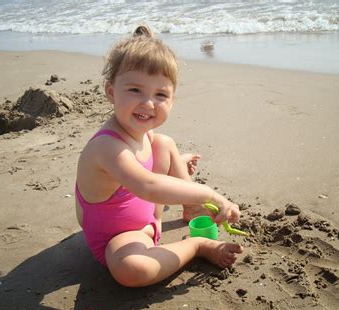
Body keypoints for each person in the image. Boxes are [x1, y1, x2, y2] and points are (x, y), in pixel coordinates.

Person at [75, 25, 243, 287]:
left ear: (172, 100)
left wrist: (178, 164)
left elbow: (148, 171)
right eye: (135, 90)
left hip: (146, 215)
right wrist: (210, 195)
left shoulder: (142, 133)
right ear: (111, 91)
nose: (148, 103)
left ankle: (190, 208)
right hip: (121, 237)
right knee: (132, 270)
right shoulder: (106, 147)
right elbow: (148, 185)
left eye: (160, 95)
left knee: (164, 143)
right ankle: (197, 245)